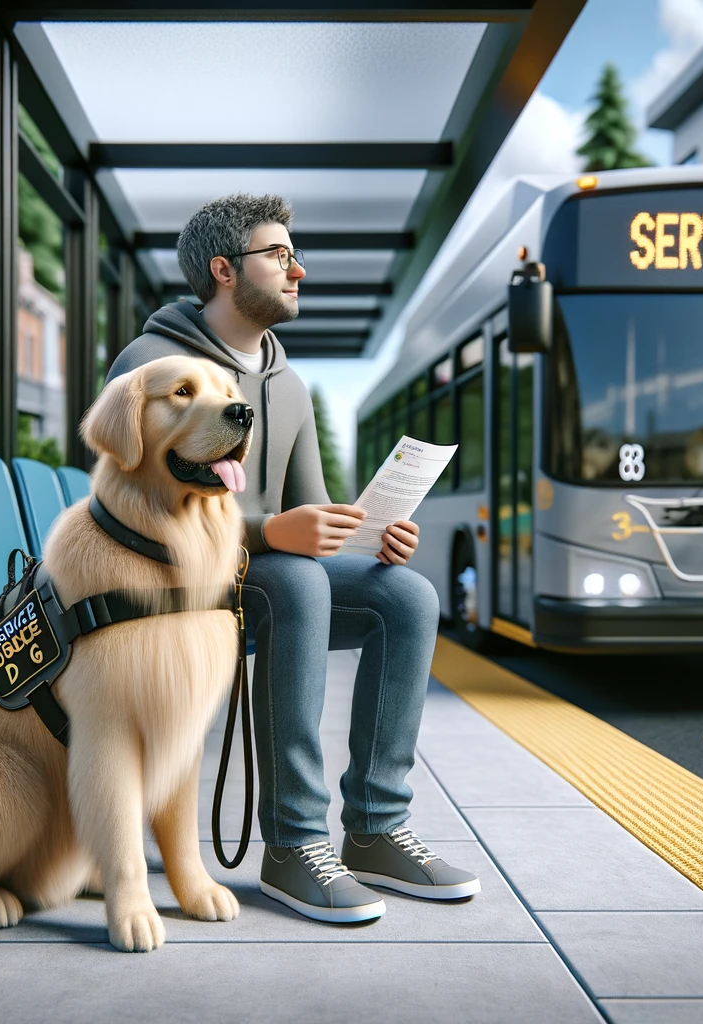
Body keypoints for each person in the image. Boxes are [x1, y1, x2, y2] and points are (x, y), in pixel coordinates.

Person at [106, 194, 480, 923]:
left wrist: (372, 536)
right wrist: (275, 533)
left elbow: (312, 514)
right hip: (166, 582)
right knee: (295, 582)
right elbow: (137, 500)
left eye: (292, 254)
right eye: (278, 255)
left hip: (259, 577)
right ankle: (295, 847)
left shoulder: (291, 384)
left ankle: (373, 829)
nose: (297, 268)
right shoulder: (152, 366)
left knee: (407, 596)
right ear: (222, 270)